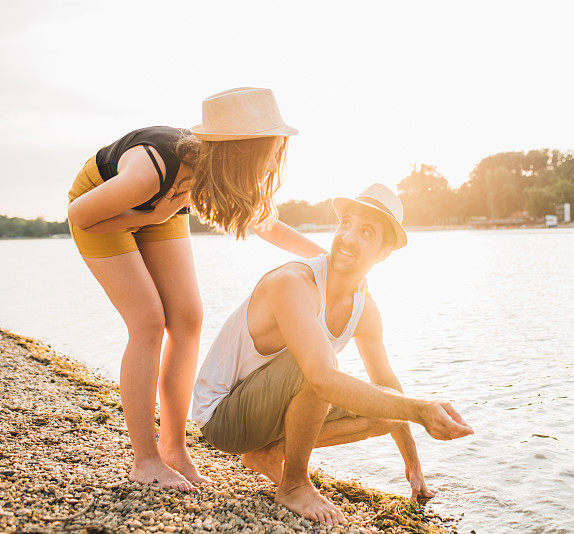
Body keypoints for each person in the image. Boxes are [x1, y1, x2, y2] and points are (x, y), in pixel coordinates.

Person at [66, 88, 327, 492]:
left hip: (159, 207)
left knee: (188, 317)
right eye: (272, 149)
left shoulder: (208, 171)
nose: (276, 158)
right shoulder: (151, 171)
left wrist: (327, 260)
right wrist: (151, 213)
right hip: (102, 207)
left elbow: (265, 224)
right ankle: (145, 460)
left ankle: (173, 449)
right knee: (148, 322)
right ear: (243, 152)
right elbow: (80, 217)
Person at [192, 184, 474, 525]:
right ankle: (294, 484)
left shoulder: (365, 306)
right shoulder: (294, 282)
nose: (348, 237)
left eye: (365, 232)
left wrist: (413, 467)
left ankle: (268, 455)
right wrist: (420, 410)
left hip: (265, 415)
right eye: (346, 224)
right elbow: (320, 378)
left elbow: (386, 382)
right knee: (316, 366)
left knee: (389, 409)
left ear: (384, 253)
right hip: (223, 418)